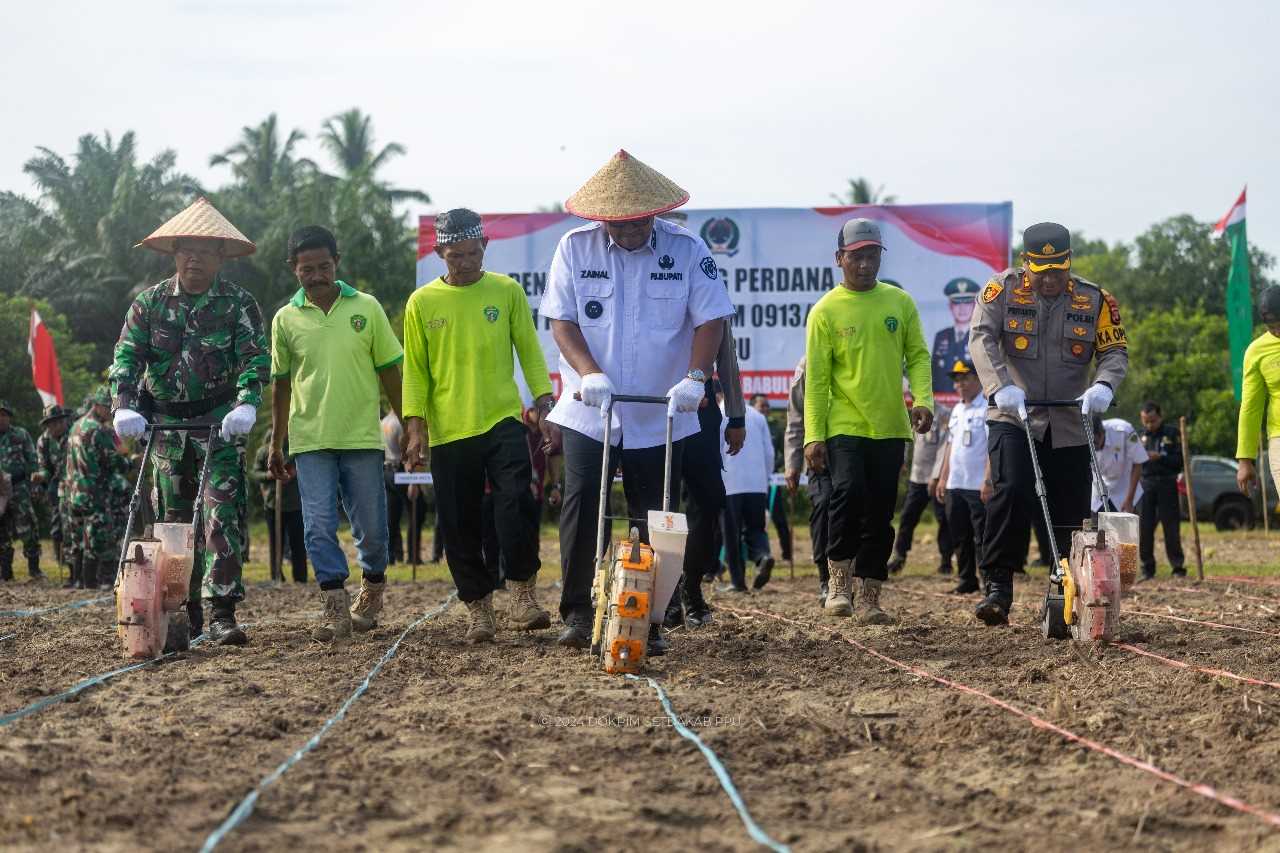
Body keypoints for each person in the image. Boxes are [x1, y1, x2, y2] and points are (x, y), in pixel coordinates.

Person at [541, 150, 735, 654]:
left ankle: (647, 618)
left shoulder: (688, 250)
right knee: (583, 503)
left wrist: (696, 378)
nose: (628, 233)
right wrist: (588, 372)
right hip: (591, 407)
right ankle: (579, 614)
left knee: (657, 514)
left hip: (659, 410)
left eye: (638, 224)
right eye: (619, 225)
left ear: (655, 213)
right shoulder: (574, 248)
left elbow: (710, 318)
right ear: (603, 217)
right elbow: (562, 320)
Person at [110, 197, 268, 645]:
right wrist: (125, 404)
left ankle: (221, 613)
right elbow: (126, 356)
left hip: (219, 425)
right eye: (185, 249)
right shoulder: (149, 303)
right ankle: (183, 611)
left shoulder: (237, 304)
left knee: (221, 514)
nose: (193, 258)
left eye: (204, 250)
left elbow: (255, 358)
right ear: (174, 253)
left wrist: (248, 403)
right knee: (174, 524)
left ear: (221, 256)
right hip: (164, 430)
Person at [403, 209, 556, 644]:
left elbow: (529, 350)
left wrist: (544, 405)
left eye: (473, 253)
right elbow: (416, 371)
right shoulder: (421, 303)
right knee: (458, 523)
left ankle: (523, 593)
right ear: (439, 253)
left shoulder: (505, 291)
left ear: (485, 247)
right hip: (450, 429)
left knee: (516, 504)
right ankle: (479, 609)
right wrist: (417, 428)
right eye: (456, 256)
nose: (466, 263)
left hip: (503, 420)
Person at [969, 222, 1128, 625]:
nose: (1052, 280)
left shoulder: (1095, 299)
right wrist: (999, 386)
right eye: (1043, 272)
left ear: (1069, 262)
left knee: (1071, 509)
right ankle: (998, 586)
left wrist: (1104, 386)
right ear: (1027, 265)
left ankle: (1064, 589)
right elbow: (981, 337)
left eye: (1059, 270)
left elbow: (1113, 351)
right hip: (1014, 414)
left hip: (1070, 419)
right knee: (1013, 488)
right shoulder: (1001, 291)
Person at [269, 225, 404, 641]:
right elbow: (281, 383)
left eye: (323, 266)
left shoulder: (367, 307)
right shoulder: (285, 319)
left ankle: (371, 594)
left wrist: (413, 427)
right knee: (318, 525)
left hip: (363, 438)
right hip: (310, 441)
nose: (316, 275)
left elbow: (390, 372)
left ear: (337, 263)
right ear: (294, 270)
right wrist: (276, 442)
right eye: (307, 269)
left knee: (373, 528)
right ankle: (334, 607)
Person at [804, 218, 934, 624]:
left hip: (891, 425)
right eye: (856, 256)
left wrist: (923, 399)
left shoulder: (899, 302)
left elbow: (917, 356)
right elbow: (817, 381)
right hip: (844, 423)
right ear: (839, 258)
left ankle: (871, 594)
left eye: (872, 255)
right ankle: (838, 582)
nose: (865, 264)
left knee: (880, 509)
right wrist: (813, 435)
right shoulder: (824, 311)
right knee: (847, 493)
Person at [665, 320, 744, 629]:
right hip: (654, 405)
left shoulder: (707, 285)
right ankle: (665, 596)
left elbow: (727, 359)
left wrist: (736, 416)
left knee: (709, 500)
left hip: (702, 407)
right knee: (660, 504)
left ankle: (691, 586)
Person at [934, 359, 989, 594]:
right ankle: (966, 579)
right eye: (957, 380)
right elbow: (949, 446)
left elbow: (992, 448)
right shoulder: (956, 410)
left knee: (982, 537)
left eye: (965, 378)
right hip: (955, 483)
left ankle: (990, 583)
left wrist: (988, 479)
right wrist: (943, 478)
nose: (960, 384)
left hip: (977, 485)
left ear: (978, 379)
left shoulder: (987, 408)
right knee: (959, 535)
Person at [719, 385, 776, 592]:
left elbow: (716, 451)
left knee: (731, 534)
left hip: (730, 484)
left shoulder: (719, 413)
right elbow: (769, 452)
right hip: (757, 483)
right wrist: (766, 478)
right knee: (756, 528)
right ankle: (763, 556)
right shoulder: (758, 417)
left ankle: (737, 582)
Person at [783, 357, 831, 603]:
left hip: (855, 452)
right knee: (822, 506)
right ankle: (826, 578)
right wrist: (792, 465)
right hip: (819, 458)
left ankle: (854, 576)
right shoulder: (807, 365)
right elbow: (796, 419)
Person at [887, 400, 953, 575]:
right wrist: (901, 460)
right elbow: (906, 437)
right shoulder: (913, 411)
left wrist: (937, 476)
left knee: (944, 520)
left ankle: (946, 562)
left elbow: (944, 447)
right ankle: (899, 557)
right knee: (907, 517)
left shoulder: (944, 413)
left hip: (936, 478)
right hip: (917, 476)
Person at [63, 388, 118, 589]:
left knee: (78, 537)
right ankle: (93, 582)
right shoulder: (98, 430)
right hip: (93, 491)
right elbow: (113, 461)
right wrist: (131, 462)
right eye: (107, 407)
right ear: (97, 406)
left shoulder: (75, 426)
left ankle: (78, 581)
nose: (110, 411)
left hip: (74, 491)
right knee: (98, 536)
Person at [1237, 285, 1280, 500]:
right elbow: (1251, 408)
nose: (1277, 331)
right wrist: (1245, 460)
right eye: (1271, 326)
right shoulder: (1256, 351)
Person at [1136, 401, 1185, 579]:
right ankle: (1147, 569)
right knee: (1144, 528)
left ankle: (1177, 567)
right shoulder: (1138, 435)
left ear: (1160, 417)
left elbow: (1180, 461)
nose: (1149, 425)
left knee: (1171, 527)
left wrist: (1161, 457)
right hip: (1146, 484)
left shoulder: (1172, 433)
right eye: (1145, 421)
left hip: (1167, 483)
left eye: (1153, 421)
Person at [251, 429, 307, 583]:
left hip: (295, 504)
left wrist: (295, 472)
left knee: (298, 543)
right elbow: (255, 473)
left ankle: (300, 577)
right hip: (273, 504)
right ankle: (276, 576)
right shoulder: (264, 452)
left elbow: (308, 469)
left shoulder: (296, 449)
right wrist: (269, 476)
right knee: (276, 543)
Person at [0, 400, 42, 581]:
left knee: (28, 528)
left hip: (19, 488)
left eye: (4, 415)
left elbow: (33, 460)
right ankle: (5, 573)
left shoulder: (20, 434)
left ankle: (34, 570)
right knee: (1, 531)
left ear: (9, 417)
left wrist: (34, 485)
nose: (1, 418)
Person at [751, 393, 793, 569]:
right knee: (754, 521)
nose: (766, 409)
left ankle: (787, 554)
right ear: (753, 407)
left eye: (767, 406)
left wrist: (774, 466)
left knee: (780, 519)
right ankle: (757, 555)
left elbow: (781, 453)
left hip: (772, 480)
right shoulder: (748, 424)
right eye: (762, 406)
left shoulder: (775, 428)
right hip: (754, 481)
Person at [34, 405, 71, 577]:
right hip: (58, 489)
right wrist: (40, 476)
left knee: (76, 529)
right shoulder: (44, 441)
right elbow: (45, 468)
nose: (55, 426)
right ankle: (64, 566)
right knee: (57, 530)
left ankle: (77, 572)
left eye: (58, 422)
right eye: (51, 423)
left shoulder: (75, 435)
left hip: (79, 487)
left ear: (65, 421)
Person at [931, 277, 981, 394]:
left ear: (974, 305)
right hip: (942, 403)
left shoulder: (981, 334)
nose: (962, 308)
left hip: (973, 402)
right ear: (950, 306)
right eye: (957, 303)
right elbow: (934, 374)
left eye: (967, 302)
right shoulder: (941, 336)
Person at [1091, 416, 1145, 513]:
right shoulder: (1082, 437)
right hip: (1098, 496)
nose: (1093, 447)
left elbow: (1138, 464)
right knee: (1097, 527)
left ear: (1102, 433)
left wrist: (1129, 499)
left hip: (1125, 492)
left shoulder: (1124, 430)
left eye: (1095, 442)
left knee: (1127, 527)